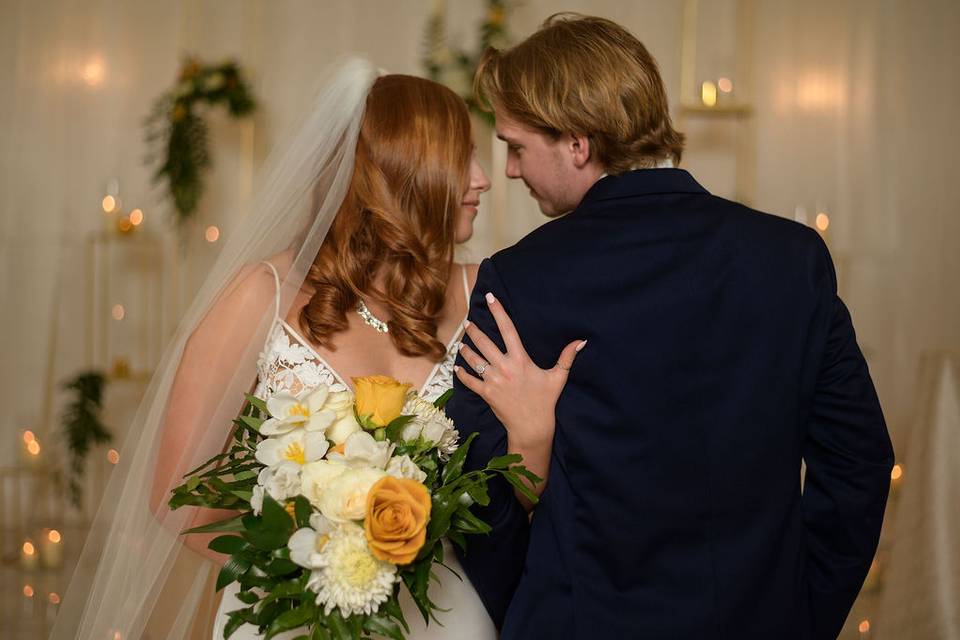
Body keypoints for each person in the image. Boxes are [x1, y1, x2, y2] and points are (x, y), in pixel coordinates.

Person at [51, 61, 565, 640]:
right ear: (402, 172)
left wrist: (535, 441)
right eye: (460, 158)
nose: (483, 179)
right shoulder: (261, 297)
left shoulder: (484, 295)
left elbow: (505, 507)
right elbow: (178, 498)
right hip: (298, 618)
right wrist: (316, 570)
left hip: (445, 615)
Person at [445, 14, 895, 640]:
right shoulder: (792, 259)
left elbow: (477, 501)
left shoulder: (519, 282)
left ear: (577, 143)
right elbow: (858, 467)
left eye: (517, 148)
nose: (511, 172)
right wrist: (801, 614)